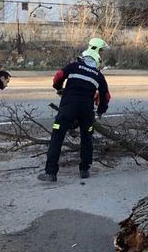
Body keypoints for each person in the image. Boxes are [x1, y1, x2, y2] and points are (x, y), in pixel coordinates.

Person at [38, 38, 110, 182]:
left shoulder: (73, 66)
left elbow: (58, 76)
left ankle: (50, 173)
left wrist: (59, 88)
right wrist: (101, 110)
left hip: (68, 107)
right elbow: (106, 96)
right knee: (87, 138)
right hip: (87, 110)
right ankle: (84, 169)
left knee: (57, 137)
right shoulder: (99, 76)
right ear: (97, 57)